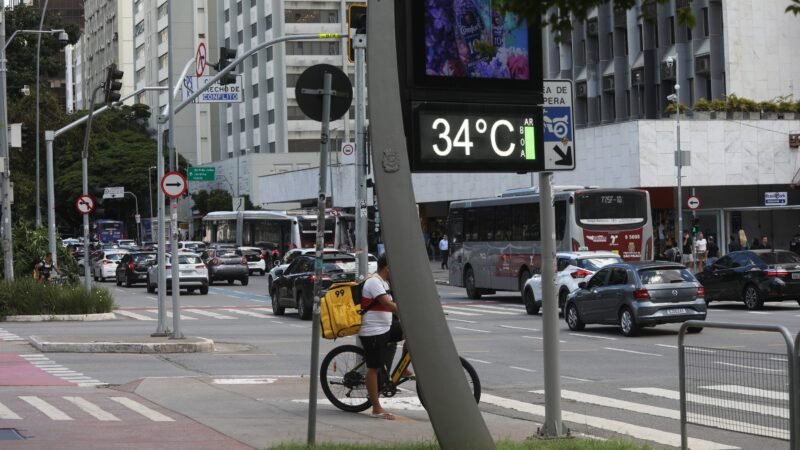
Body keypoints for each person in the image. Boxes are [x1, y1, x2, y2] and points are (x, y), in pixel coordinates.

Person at [358, 255, 410, 420]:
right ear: (387, 268)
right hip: (373, 331)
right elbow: (388, 304)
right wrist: (409, 313)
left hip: (386, 327)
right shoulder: (374, 282)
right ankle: (376, 407)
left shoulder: (384, 282)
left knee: (412, 333)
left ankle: (403, 369)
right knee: (373, 368)